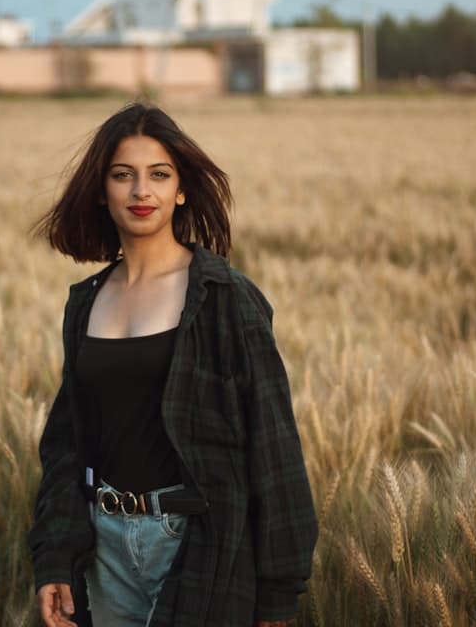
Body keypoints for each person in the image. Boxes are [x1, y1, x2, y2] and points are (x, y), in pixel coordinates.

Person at [29, 102, 317, 627]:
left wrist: (278, 594)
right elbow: (68, 442)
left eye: (159, 175)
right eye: (123, 176)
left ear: (180, 189)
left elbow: (273, 446)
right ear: (101, 189)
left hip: (196, 543)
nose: (142, 191)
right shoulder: (86, 302)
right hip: (103, 549)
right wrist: (55, 554)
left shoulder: (224, 298)